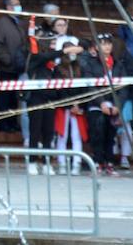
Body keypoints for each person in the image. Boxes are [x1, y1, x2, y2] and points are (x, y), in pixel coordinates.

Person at [24, 26, 64, 175]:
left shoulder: (53, 65)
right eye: (52, 44)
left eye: (55, 44)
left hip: (50, 100)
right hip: (36, 99)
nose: (54, 47)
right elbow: (45, 57)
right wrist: (65, 51)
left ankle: (47, 162)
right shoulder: (35, 58)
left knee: (48, 132)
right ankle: (32, 161)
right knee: (35, 131)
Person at [79, 34, 120, 175]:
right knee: (97, 133)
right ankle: (97, 162)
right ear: (96, 47)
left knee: (110, 134)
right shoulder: (90, 63)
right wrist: (101, 103)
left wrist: (117, 104)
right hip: (96, 104)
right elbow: (90, 85)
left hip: (113, 105)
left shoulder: (117, 63)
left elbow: (124, 86)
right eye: (103, 44)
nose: (107, 46)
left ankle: (109, 162)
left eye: (108, 43)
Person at [51, 37, 87, 175]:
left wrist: (79, 104)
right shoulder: (58, 69)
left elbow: (84, 87)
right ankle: (61, 163)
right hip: (64, 107)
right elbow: (58, 89)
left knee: (76, 135)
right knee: (62, 135)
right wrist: (69, 104)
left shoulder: (81, 68)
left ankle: (76, 163)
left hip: (78, 107)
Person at [0, 0, 27, 135]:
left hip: (18, 67)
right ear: (8, 7)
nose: (19, 7)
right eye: (16, 5)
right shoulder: (2, 23)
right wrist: (8, 61)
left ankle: (12, 122)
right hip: (7, 67)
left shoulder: (18, 23)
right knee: (5, 97)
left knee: (14, 97)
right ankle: (3, 123)